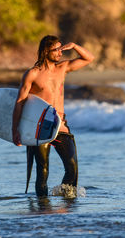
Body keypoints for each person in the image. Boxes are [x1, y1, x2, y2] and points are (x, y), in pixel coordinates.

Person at [12, 35, 94, 197]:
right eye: (55, 49)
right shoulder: (32, 74)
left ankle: (67, 201)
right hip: (39, 126)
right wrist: (15, 130)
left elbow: (89, 58)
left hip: (61, 124)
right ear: (45, 51)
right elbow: (20, 102)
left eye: (60, 49)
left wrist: (74, 46)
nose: (59, 53)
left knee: (72, 167)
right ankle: (43, 208)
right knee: (42, 170)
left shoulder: (62, 68)